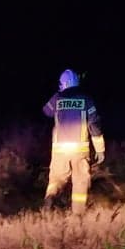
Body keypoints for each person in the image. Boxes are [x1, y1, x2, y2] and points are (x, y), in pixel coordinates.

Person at [42, 69, 105, 211]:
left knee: (56, 179)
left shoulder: (57, 98)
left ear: (64, 83)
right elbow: (94, 125)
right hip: (79, 150)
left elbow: (46, 112)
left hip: (59, 150)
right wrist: (100, 149)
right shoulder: (86, 100)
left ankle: (50, 198)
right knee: (80, 182)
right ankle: (77, 214)